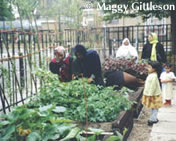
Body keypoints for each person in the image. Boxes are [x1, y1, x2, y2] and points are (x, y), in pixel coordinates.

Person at [142, 61, 162, 126]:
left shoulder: (154, 76)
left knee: (155, 107)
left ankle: (153, 118)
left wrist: (150, 94)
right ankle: (152, 119)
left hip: (153, 94)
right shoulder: (151, 75)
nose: (148, 68)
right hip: (152, 94)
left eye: (149, 67)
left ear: (154, 69)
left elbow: (153, 86)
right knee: (155, 107)